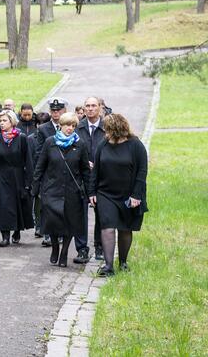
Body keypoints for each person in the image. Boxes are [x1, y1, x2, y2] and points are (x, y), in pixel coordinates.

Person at [90, 114, 148, 277]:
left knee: (124, 228)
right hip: (105, 194)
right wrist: (92, 192)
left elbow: (142, 172)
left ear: (116, 129)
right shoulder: (104, 144)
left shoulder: (135, 145)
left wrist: (136, 195)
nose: (105, 132)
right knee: (107, 227)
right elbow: (96, 171)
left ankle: (123, 261)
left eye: (108, 129)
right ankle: (108, 266)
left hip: (128, 195)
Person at [32, 112, 93, 267]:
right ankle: (54, 247)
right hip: (51, 189)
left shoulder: (80, 144)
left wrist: (89, 192)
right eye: (67, 125)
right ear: (60, 125)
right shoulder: (50, 142)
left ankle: (64, 251)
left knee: (70, 223)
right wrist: (35, 188)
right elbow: (40, 166)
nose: (70, 129)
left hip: (72, 191)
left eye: (73, 126)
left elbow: (85, 171)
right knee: (52, 221)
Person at [0, 110, 34, 247]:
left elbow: (28, 161)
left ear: (12, 122)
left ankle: (17, 230)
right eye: (0, 121)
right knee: (3, 205)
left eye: (4, 121)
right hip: (1, 176)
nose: (2, 123)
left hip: (17, 176)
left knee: (17, 204)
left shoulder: (22, 138)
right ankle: (5, 236)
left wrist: (28, 181)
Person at [35, 98, 68, 247]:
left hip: (66, 173)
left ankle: (61, 232)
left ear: (64, 111)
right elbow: (39, 153)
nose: (56, 113)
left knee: (63, 206)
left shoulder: (70, 127)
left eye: (59, 110)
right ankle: (47, 234)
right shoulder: (43, 129)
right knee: (47, 205)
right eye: (53, 110)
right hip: (49, 173)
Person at [77, 96, 106, 261]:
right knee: (80, 215)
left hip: (102, 178)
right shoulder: (78, 127)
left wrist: (100, 163)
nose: (90, 109)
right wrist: (82, 162)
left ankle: (100, 247)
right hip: (81, 178)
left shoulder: (107, 127)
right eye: (87, 106)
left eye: (93, 105)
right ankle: (82, 248)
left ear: (100, 107)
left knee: (101, 214)